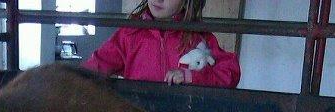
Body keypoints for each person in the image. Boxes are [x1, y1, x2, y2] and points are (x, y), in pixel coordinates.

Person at [83, 0, 240, 88]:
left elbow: (230, 73)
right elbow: (97, 65)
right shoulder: (130, 33)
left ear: (186, 2)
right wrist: (68, 79)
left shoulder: (199, 37)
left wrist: (192, 76)